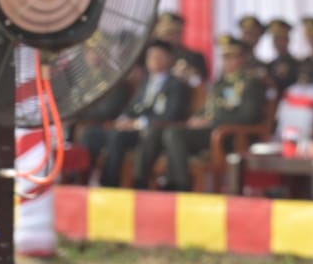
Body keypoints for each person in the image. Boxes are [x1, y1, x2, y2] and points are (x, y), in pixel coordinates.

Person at [161, 35, 268, 192]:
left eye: (232, 57)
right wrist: (198, 118)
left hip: (230, 135)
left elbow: (248, 116)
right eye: (225, 57)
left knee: (175, 134)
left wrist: (212, 121)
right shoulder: (221, 83)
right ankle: (172, 181)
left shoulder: (252, 83)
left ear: (244, 59)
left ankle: (180, 186)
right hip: (212, 132)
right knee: (168, 133)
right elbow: (211, 107)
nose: (227, 62)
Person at [98, 39, 193, 189]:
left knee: (147, 135)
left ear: (169, 59)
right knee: (115, 134)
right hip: (137, 130)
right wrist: (123, 119)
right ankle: (109, 183)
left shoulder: (177, 85)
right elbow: (131, 107)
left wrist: (139, 123)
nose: (153, 60)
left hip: (158, 131)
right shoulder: (145, 82)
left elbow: (172, 115)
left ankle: (140, 183)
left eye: (158, 56)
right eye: (150, 56)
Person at [266, 18, 301, 95]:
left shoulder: (298, 64)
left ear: (288, 40)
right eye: (276, 39)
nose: (279, 43)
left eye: (282, 39)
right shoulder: (269, 65)